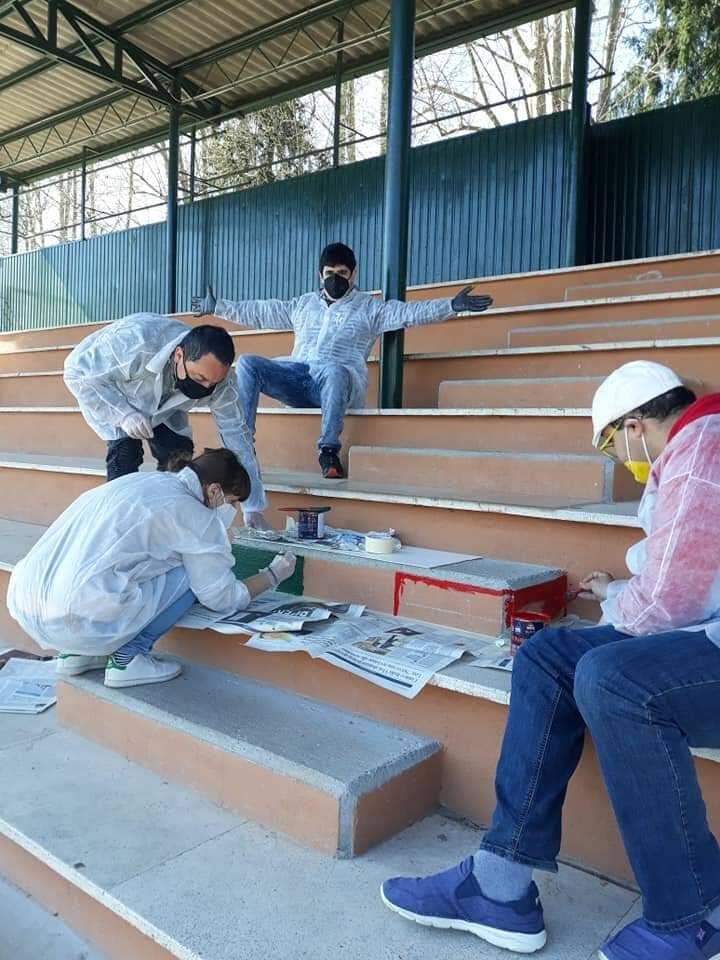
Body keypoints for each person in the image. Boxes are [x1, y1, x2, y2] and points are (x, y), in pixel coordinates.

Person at [380, 360, 720, 960]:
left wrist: (622, 608)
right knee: (547, 656)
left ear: (636, 424)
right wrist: (616, 597)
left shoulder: (702, 454)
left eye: (613, 443)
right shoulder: (693, 448)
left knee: (613, 680)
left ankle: (694, 916)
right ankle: (500, 883)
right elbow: (685, 579)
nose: (620, 458)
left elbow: (670, 600)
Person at [191, 242, 493, 479]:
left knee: (336, 369)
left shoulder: (369, 309)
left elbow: (409, 313)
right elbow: (260, 312)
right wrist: (217, 306)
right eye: (329, 273)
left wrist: (451, 306)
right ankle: (242, 450)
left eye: (343, 274)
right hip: (297, 377)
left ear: (354, 275)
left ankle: (328, 452)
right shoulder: (303, 305)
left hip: (335, 384)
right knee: (247, 363)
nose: (336, 279)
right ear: (319, 274)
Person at [7, 448, 296, 689]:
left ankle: (75, 655)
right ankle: (128, 659)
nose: (229, 511)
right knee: (192, 573)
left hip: (30, 602)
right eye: (231, 502)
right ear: (214, 490)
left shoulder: (143, 481)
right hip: (77, 615)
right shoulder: (195, 513)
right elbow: (220, 597)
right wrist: (273, 574)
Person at [64, 314, 268, 530]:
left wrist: (252, 506)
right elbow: (76, 373)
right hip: (115, 391)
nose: (206, 387)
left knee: (179, 461)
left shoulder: (223, 383)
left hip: (165, 406)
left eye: (213, 382)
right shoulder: (137, 342)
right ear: (179, 355)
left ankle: (170, 526)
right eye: (200, 379)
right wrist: (123, 414)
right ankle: (116, 528)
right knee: (124, 458)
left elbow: (237, 436)